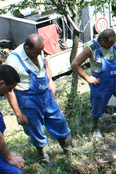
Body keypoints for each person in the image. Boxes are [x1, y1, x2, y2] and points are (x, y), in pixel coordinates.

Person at [5, 34, 71, 166]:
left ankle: (69, 149)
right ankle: (43, 157)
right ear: (27, 48)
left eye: (41, 51)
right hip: (28, 99)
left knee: (59, 121)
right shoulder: (14, 61)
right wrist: (19, 114)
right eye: (37, 52)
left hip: (45, 95)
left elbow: (46, 64)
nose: (40, 53)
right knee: (36, 129)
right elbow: (9, 89)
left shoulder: (37, 51)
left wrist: (50, 83)